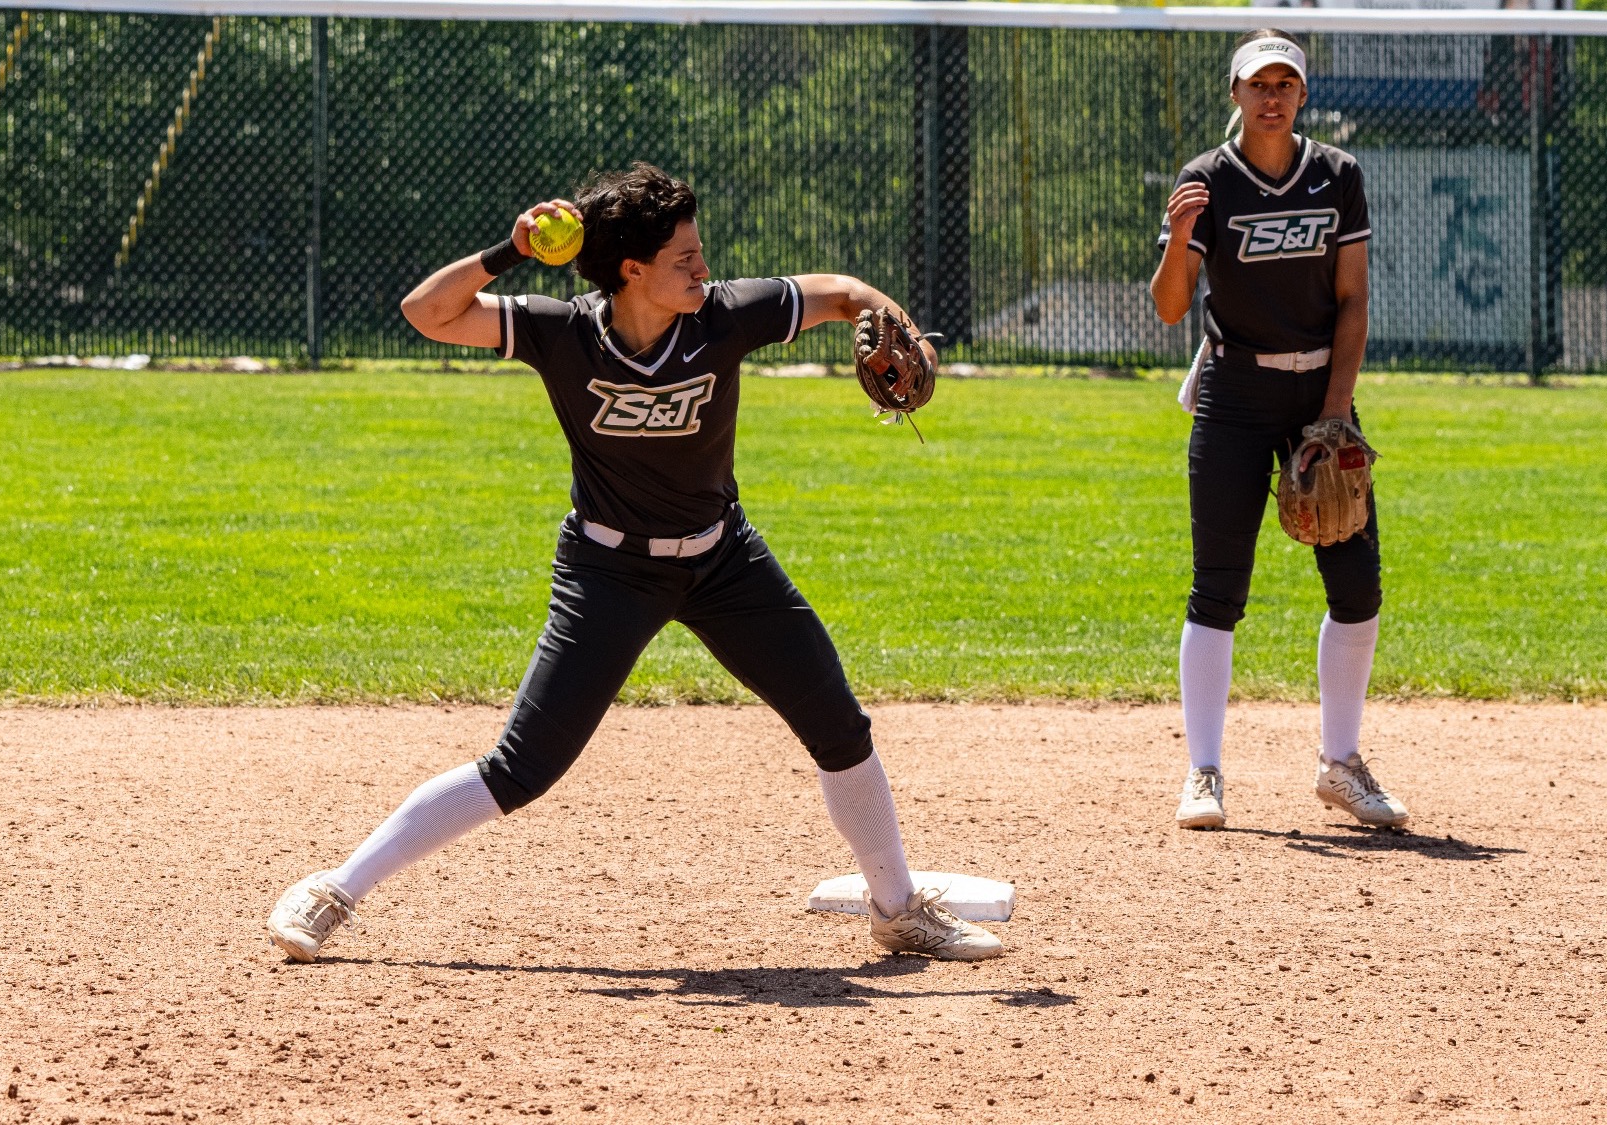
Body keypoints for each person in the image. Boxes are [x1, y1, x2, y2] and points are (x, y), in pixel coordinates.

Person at [266, 163, 1001, 962]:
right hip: (606, 572)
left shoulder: (725, 316)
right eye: (684, 257)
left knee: (837, 724)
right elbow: (428, 312)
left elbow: (847, 294)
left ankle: (897, 911)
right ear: (632, 270)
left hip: (724, 561)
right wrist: (508, 250)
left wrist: (900, 324)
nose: (703, 267)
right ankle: (334, 888)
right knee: (523, 766)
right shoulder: (564, 331)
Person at [1150, 31, 1409, 831]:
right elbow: (1167, 307)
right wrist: (1177, 241)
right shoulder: (1206, 181)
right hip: (1233, 390)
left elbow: (1354, 300)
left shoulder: (1338, 175)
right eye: (1258, 83)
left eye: (1285, 84)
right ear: (1234, 93)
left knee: (1358, 582)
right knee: (1217, 586)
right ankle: (1203, 772)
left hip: (1318, 397)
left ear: (1302, 95)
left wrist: (1334, 416)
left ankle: (1341, 763)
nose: (1272, 96)